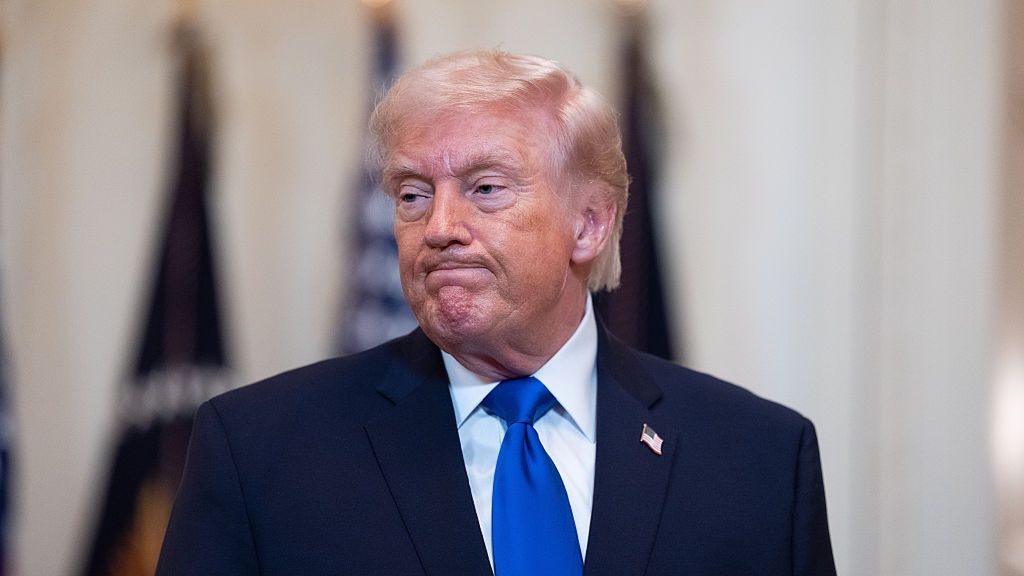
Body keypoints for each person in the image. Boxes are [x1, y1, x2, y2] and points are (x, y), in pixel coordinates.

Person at [157, 50, 837, 575]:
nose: (439, 227)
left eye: (484, 188)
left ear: (588, 224)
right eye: (413, 194)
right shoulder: (259, 453)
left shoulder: (759, 460)